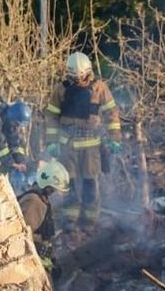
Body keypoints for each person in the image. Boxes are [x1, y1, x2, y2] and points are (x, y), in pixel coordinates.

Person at [42, 52, 122, 227]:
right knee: (68, 182)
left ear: (88, 72)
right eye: (73, 77)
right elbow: (51, 117)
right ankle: (69, 218)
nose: (77, 80)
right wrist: (52, 142)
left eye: (80, 76)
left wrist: (114, 138)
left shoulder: (99, 88)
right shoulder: (61, 89)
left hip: (91, 145)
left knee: (90, 182)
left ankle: (89, 219)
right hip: (67, 145)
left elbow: (112, 113)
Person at [18, 159, 70, 270]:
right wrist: (37, 247)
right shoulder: (34, 201)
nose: (54, 193)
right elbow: (20, 234)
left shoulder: (41, 199)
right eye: (54, 190)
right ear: (47, 186)